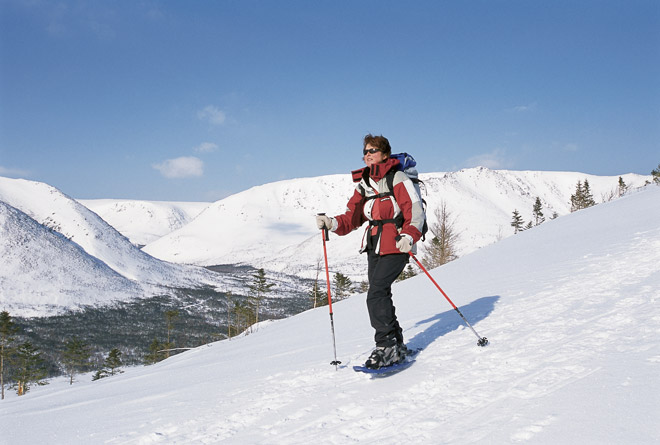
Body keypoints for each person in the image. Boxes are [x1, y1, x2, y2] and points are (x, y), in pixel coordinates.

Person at [316, 134, 425, 369]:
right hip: (374, 245)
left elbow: (414, 210)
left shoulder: (398, 177)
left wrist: (409, 236)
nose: (367, 155)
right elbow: (351, 218)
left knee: (375, 293)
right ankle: (396, 344)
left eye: (372, 150)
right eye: (365, 151)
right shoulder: (364, 184)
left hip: (397, 243)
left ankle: (385, 346)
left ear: (385, 154)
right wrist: (331, 223)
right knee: (381, 292)